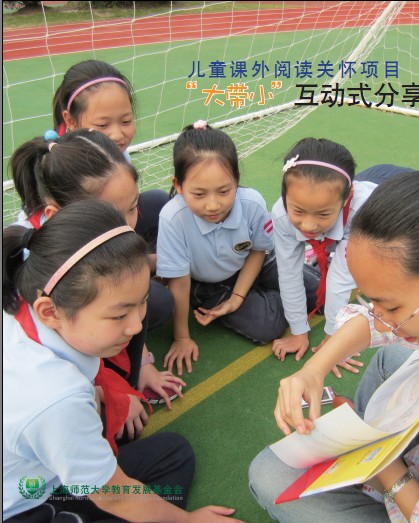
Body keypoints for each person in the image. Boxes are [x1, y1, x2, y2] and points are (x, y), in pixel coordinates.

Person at [249, 169, 419, 522]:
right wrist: (313, 369)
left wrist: (382, 462)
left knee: (269, 475)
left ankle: (367, 468)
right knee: (393, 356)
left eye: (391, 307)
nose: (379, 318)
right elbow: (375, 320)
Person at [3, 199, 244, 523]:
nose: (135, 326)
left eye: (142, 301)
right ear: (50, 312)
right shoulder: (57, 399)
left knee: (173, 454)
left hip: (33, 469)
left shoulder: (25, 297)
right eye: (119, 315)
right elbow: (116, 497)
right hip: (23, 505)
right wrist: (188, 521)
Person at [9, 129, 183, 441]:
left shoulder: (90, 240)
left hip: (86, 335)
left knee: (152, 302)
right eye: (112, 215)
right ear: (57, 214)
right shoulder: (37, 281)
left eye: (132, 206)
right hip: (60, 382)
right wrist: (114, 394)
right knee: (142, 439)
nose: (128, 226)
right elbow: (65, 357)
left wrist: (142, 363)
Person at [157, 121, 311, 375]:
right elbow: (180, 283)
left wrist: (237, 298)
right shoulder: (172, 218)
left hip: (253, 262)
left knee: (314, 290)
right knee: (267, 326)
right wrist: (182, 337)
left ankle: (285, 286)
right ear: (178, 185)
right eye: (199, 194)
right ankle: (281, 293)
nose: (213, 205)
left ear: (237, 180)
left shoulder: (252, 203)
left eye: (224, 191)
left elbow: (258, 250)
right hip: (209, 284)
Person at [52, 58, 174, 331]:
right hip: (77, 265)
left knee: (158, 202)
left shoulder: (108, 150)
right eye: (103, 125)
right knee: (160, 303)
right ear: (70, 120)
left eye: (126, 121)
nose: (118, 134)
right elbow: (87, 257)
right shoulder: (67, 173)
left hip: (104, 236)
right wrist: (148, 263)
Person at [270, 138, 394, 376]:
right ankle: (325, 235)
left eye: (322, 214)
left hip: (394, 191)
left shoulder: (362, 212)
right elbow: (288, 273)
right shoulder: (281, 214)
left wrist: (333, 341)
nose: (308, 224)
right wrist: (298, 331)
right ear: (284, 196)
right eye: (298, 210)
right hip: (355, 188)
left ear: (346, 199)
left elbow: (340, 282)